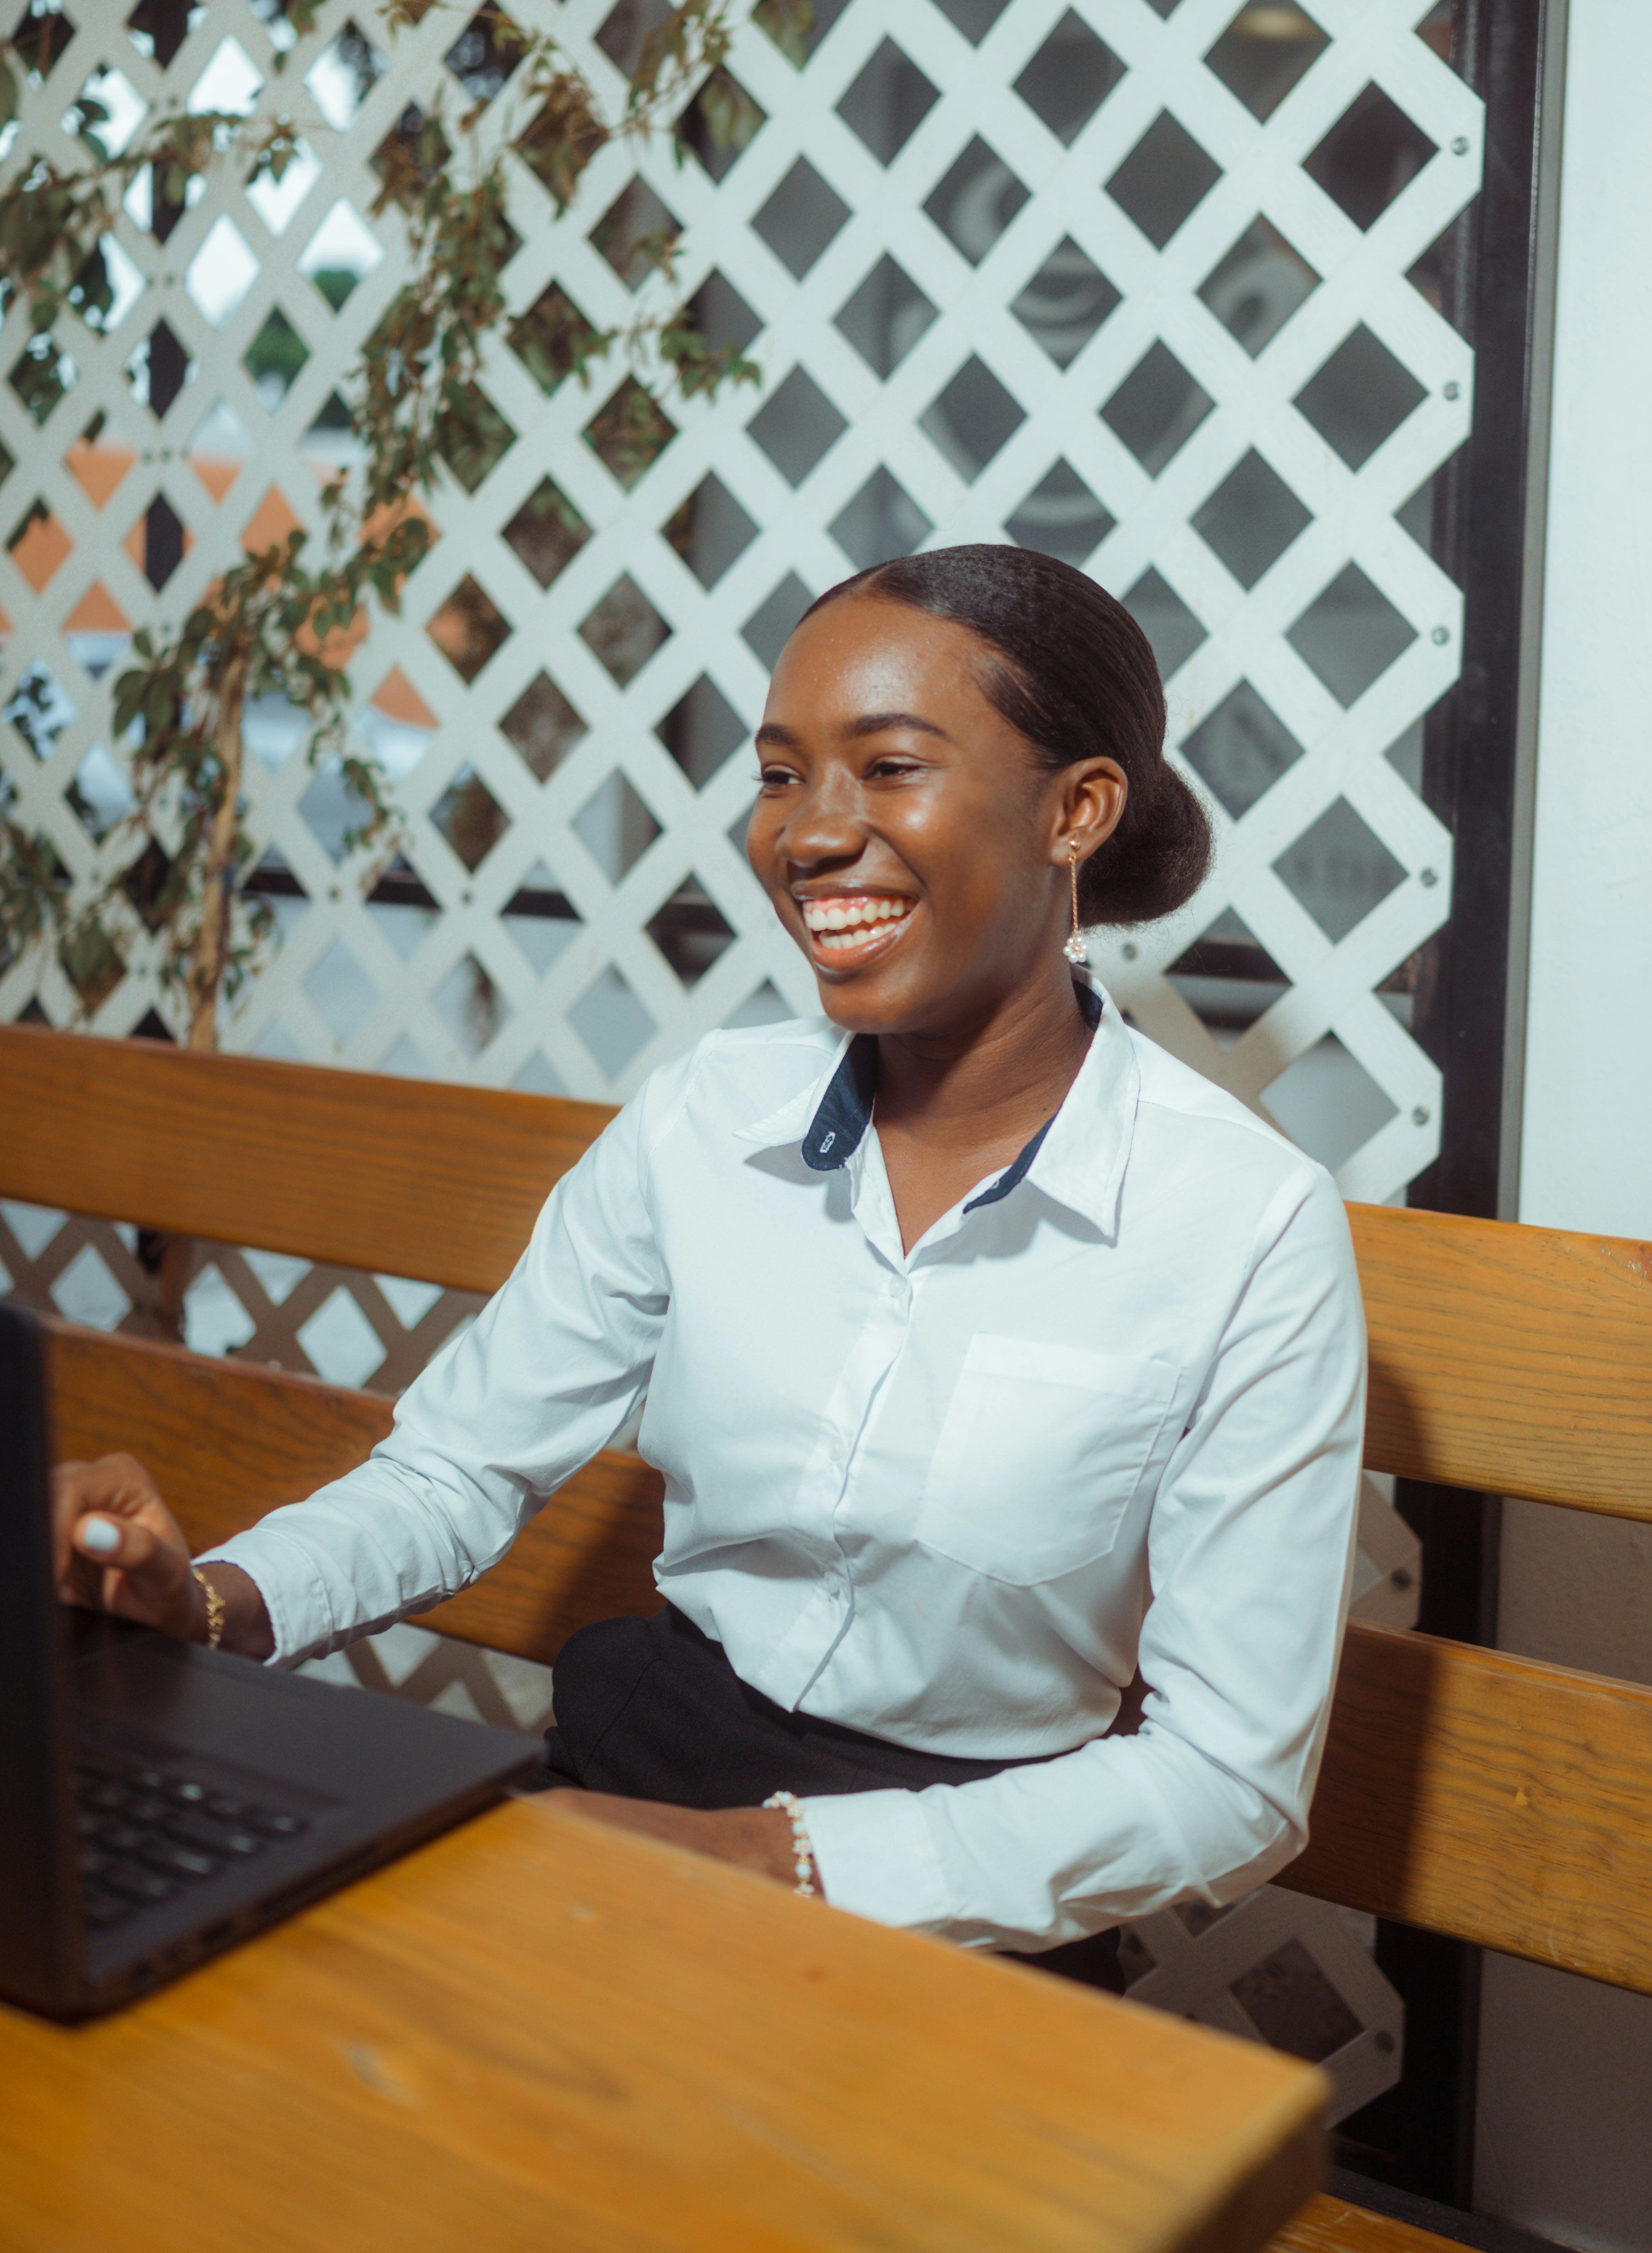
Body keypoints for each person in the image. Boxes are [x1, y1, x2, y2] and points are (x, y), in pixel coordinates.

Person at [53, 545, 1366, 1989]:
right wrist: (213, 1606)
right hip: (630, 1785)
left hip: (964, 1909)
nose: (811, 834)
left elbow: (1226, 1780)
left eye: (889, 767)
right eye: (783, 775)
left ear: (1078, 811)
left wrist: (776, 1858)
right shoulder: (706, 1116)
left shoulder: (1244, 1226)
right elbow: (457, 1473)